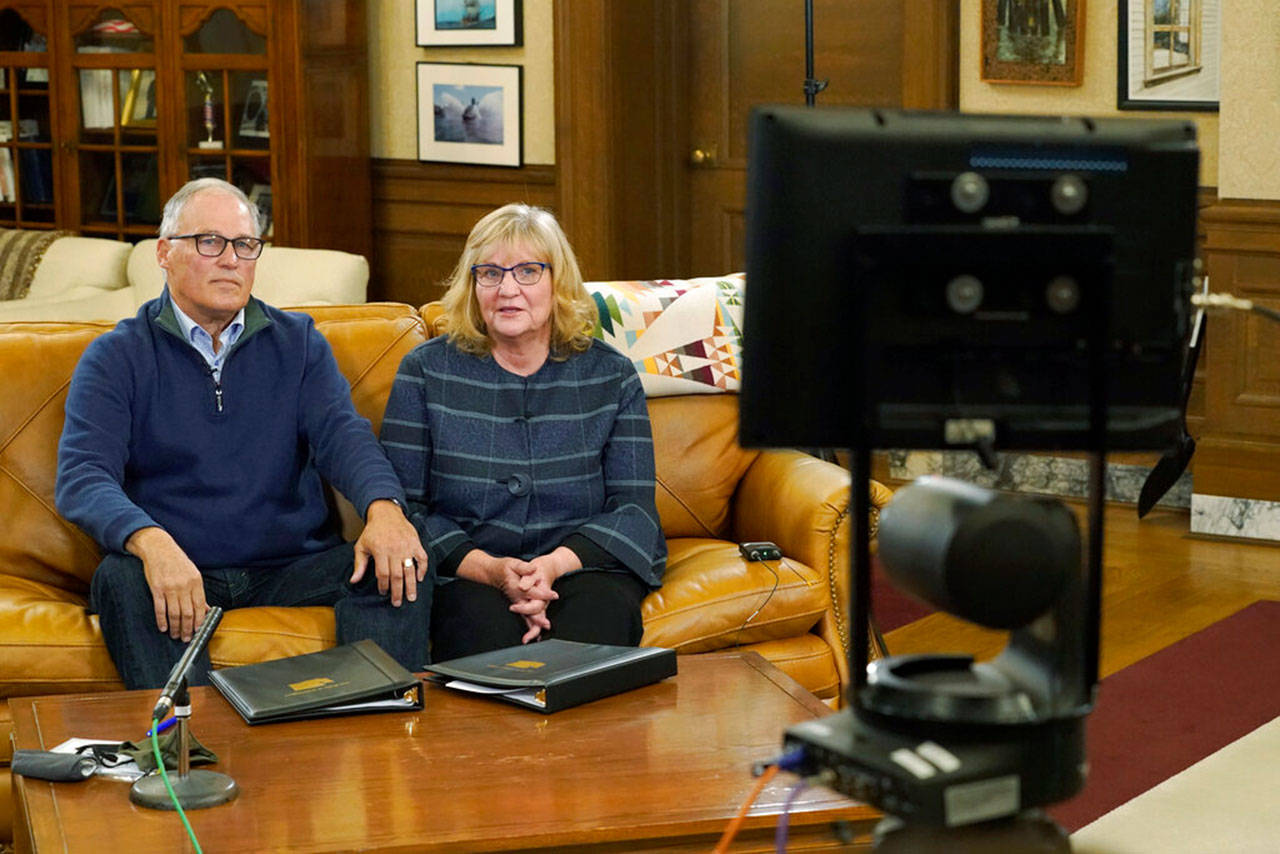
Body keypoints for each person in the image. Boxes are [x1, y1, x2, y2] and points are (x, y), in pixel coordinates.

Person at [56, 177, 430, 689]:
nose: (231, 259)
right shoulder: (117, 357)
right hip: (178, 566)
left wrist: (385, 509)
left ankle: (370, 730)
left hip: (291, 567)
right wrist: (152, 543)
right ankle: (195, 754)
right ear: (164, 253)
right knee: (121, 579)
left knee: (405, 558)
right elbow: (82, 476)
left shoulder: (298, 343)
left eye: (245, 245)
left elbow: (344, 437)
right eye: (210, 242)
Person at [380, 203, 665, 661]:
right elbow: (405, 511)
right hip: (469, 572)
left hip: (584, 567)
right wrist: (491, 570)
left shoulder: (610, 375)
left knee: (593, 638)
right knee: (480, 639)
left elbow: (633, 509)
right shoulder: (426, 371)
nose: (507, 289)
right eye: (490, 273)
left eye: (528, 271)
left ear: (558, 283)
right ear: (473, 286)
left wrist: (551, 566)